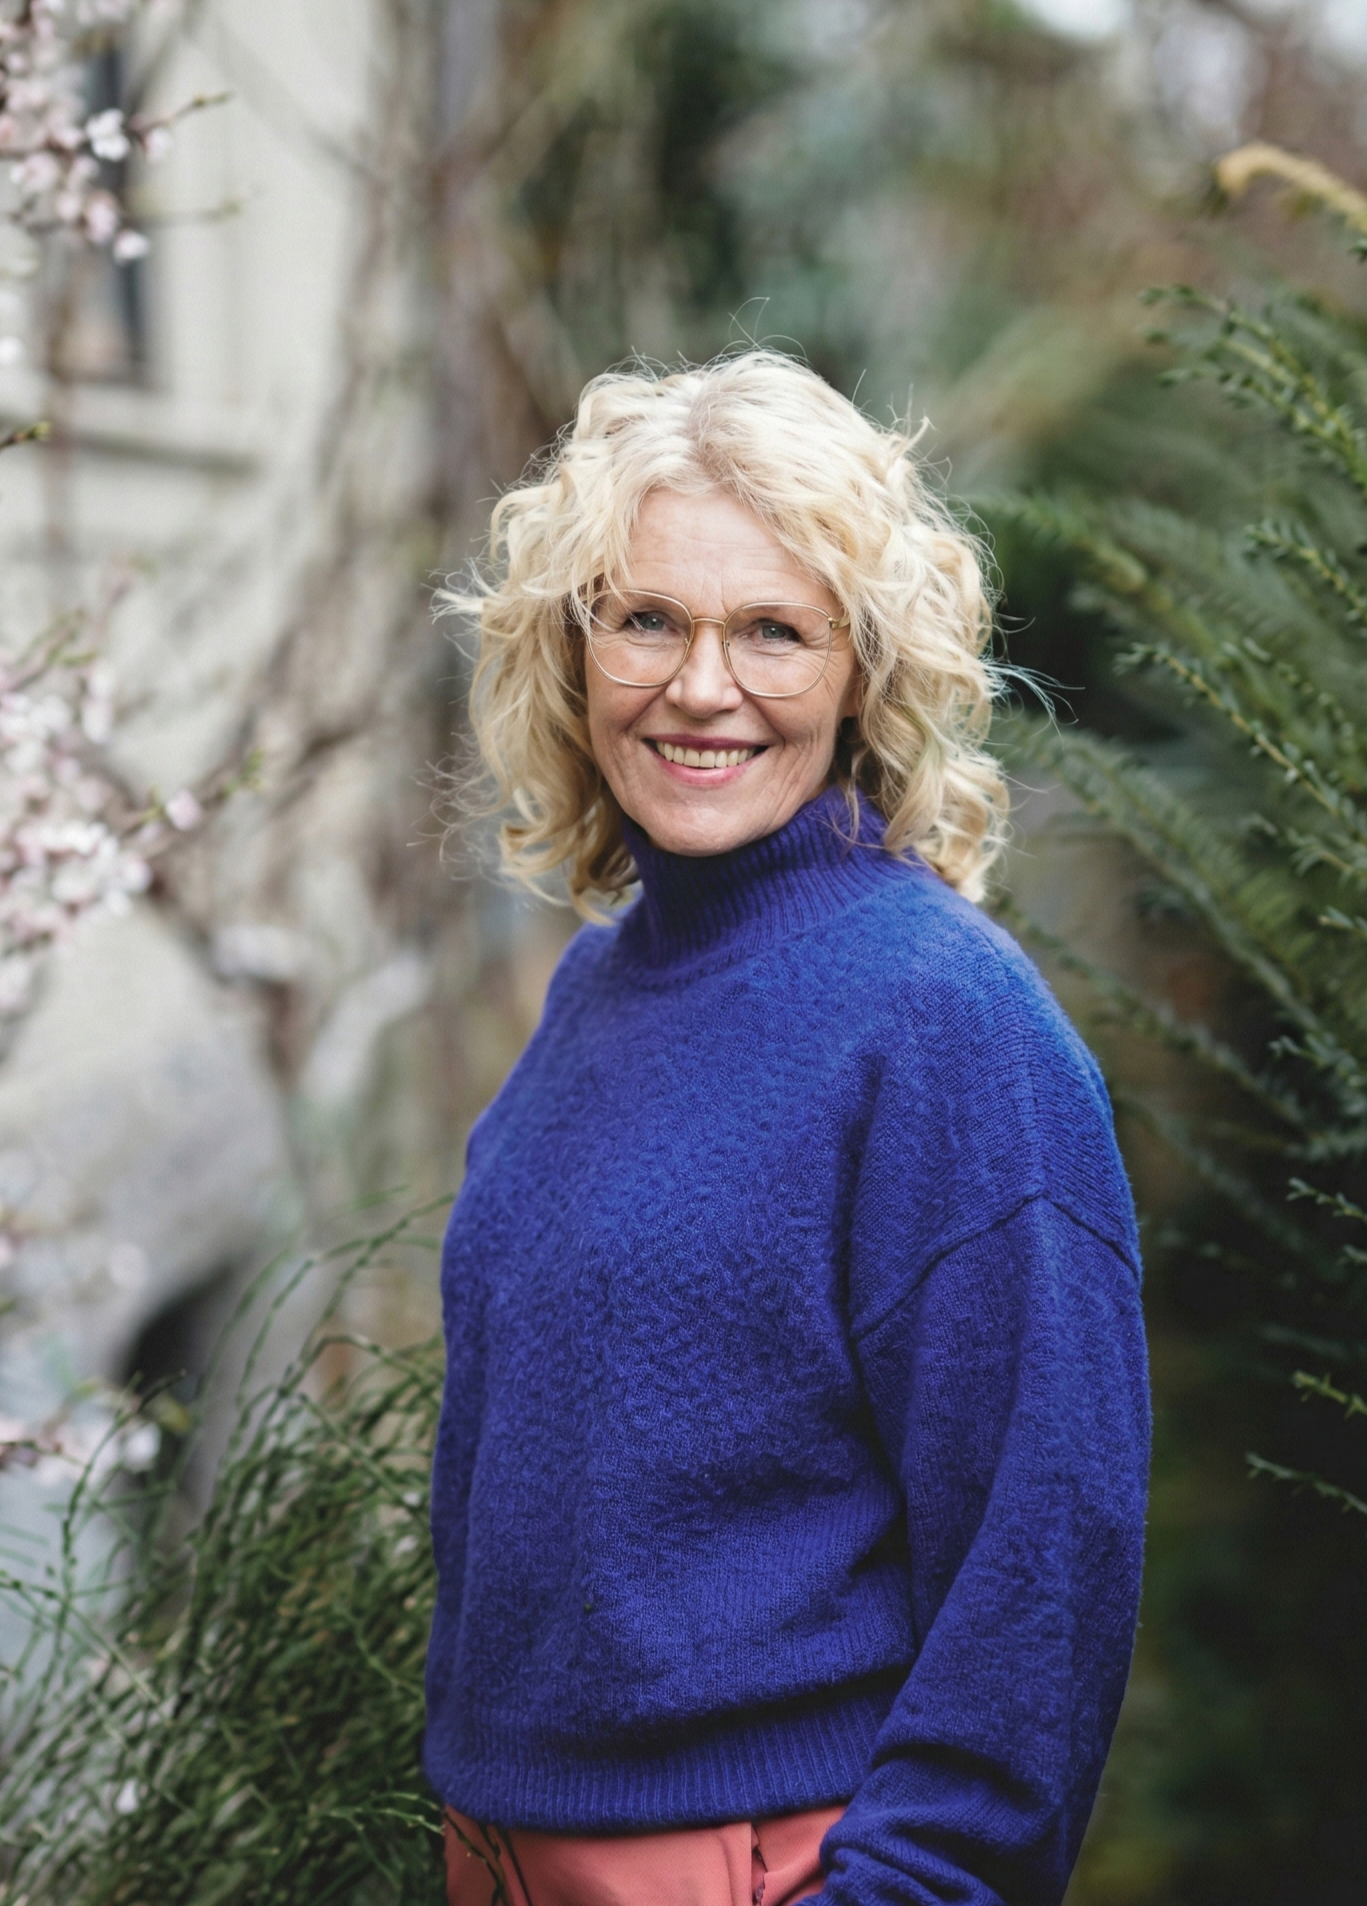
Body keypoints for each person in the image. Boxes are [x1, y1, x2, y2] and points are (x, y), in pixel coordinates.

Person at [423, 351, 1149, 1906]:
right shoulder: (600, 985)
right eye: (646, 619)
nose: (701, 686)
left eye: (772, 629)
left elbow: (1045, 1543)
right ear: (571, 649)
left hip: (767, 1860)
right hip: (504, 1850)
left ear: (863, 669)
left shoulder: (943, 1020)